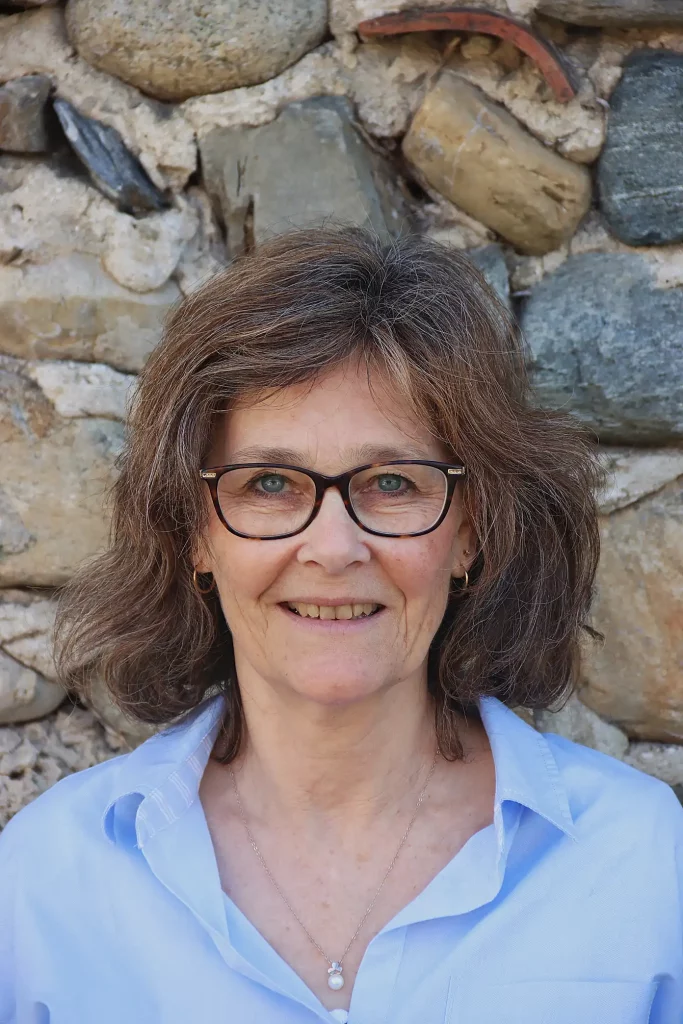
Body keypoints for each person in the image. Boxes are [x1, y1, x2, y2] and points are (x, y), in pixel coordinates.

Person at [0, 227, 681, 1024]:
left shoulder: (640, 863)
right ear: (194, 533)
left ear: (470, 532)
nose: (332, 547)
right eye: (270, 483)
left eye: (392, 482)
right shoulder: (50, 880)